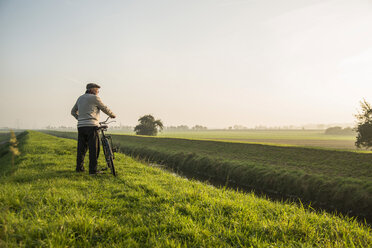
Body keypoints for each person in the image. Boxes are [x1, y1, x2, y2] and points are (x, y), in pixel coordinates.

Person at [71, 83, 116, 175]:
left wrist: (79, 118)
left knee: (81, 149)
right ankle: (93, 170)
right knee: (94, 149)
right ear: (91, 90)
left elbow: (73, 111)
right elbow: (104, 108)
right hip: (92, 126)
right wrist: (112, 115)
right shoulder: (95, 98)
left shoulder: (80, 98)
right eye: (97, 90)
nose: (98, 92)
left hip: (81, 126)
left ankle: (79, 168)